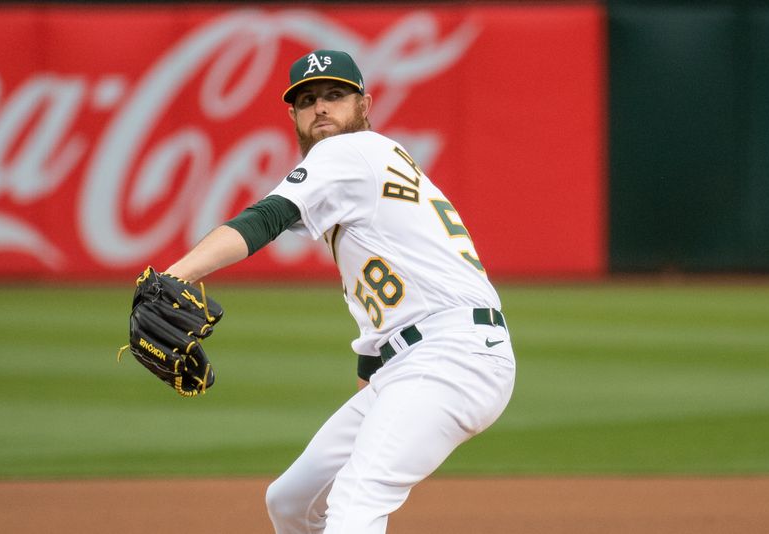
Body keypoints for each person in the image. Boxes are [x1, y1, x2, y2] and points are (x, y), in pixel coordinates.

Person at [165, 49, 516, 534]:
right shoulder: (370, 165)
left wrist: (176, 276)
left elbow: (266, 217)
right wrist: (370, 381)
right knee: (291, 500)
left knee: (356, 499)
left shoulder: (346, 152)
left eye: (335, 95)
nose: (321, 108)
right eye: (307, 100)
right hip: (418, 359)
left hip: (449, 356)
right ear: (292, 114)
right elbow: (386, 302)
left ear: (364, 104)